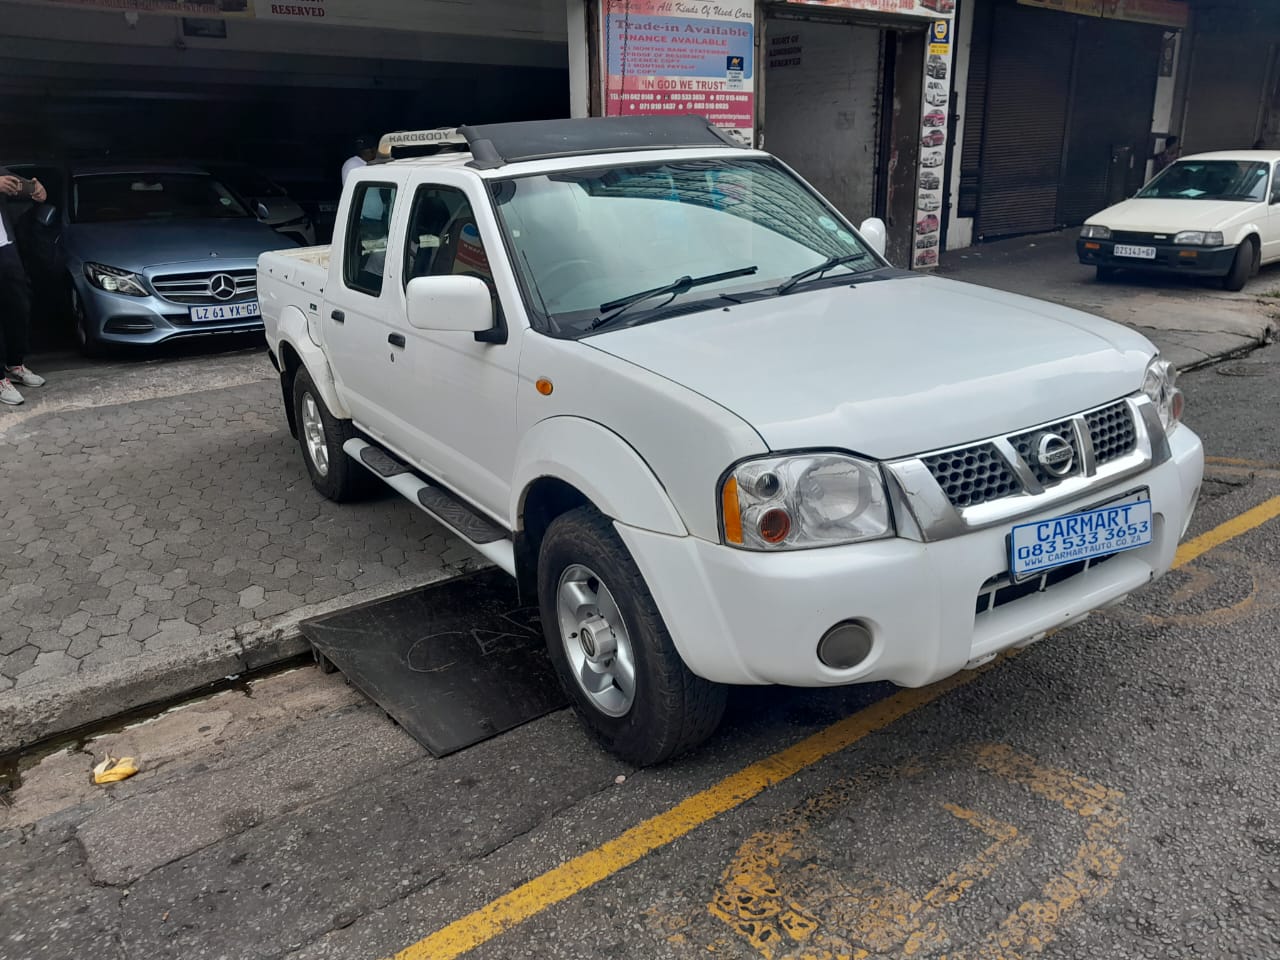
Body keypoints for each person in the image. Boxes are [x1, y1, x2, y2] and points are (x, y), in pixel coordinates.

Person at [0, 168, 47, 407]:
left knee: (18, 304)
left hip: (4, 245)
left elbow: (14, 183)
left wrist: (34, 188)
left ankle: (14, 363)